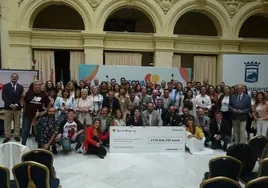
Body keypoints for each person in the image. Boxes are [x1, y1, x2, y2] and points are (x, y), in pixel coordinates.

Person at [22, 80, 52, 145]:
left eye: (39, 85)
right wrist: (24, 109)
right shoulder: (29, 93)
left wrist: (46, 111)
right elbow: (24, 102)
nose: (38, 86)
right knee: (25, 130)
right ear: (33, 86)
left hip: (39, 116)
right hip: (28, 115)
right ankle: (23, 145)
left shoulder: (43, 94)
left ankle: (40, 146)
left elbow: (50, 102)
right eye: (36, 85)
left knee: (39, 131)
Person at [2, 73, 24, 143]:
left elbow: (21, 97)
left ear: (18, 78)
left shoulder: (21, 87)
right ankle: (7, 136)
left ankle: (16, 136)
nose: (14, 78)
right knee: (7, 123)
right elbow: (4, 97)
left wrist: (16, 104)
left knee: (17, 123)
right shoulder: (5, 86)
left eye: (16, 77)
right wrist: (11, 105)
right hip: (8, 108)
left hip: (17, 108)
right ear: (10, 77)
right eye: (13, 76)